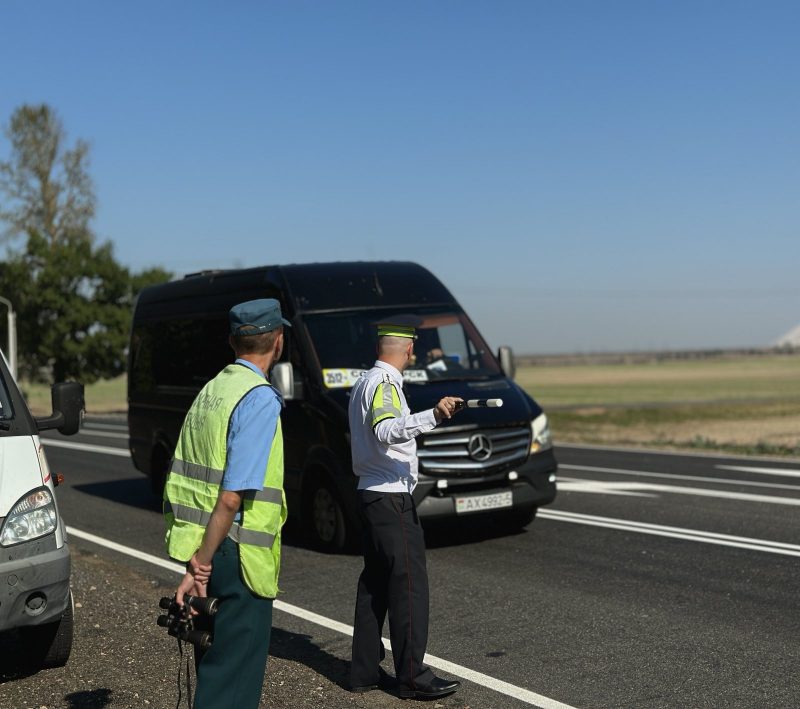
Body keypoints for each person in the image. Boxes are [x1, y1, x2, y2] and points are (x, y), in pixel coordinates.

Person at [163, 298, 290, 709]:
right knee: (232, 685)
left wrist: (196, 564)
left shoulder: (212, 390)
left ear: (233, 342)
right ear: (279, 341)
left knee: (214, 671)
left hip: (206, 547)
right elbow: (232, 496)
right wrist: (202, 563)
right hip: (237, 556)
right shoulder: (258, 398)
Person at [348, 318, 464, 700]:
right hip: (390, 498)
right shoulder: (384, 384)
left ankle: (364, 670)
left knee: (376, 585)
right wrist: (434, 415)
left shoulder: (364, 381)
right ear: (409, 349)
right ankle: (413, 677)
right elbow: (385, 430)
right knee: (409, 587)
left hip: (371, 494)